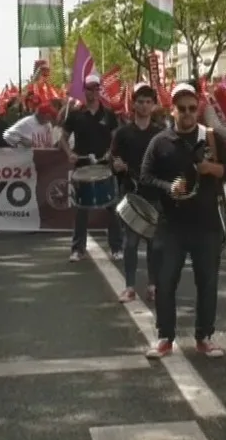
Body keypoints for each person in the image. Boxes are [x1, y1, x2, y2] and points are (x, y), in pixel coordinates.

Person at [138, 83, 226, 359]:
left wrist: (209, 168)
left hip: (207, 224)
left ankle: (205, 337)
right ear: (172, 110)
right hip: (171, 225)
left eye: (192, 108)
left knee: (208, 282)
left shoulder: (212, 138)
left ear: (198, 109)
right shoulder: (160, 141)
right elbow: (144, 177)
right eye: (182, 108)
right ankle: (165, 337)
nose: (188, 113)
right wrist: (168, 188)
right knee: (165, 282)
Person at [110, 83, 165, 302]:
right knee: (130, 242)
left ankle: (153, 285)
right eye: (140, 101)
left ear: (153, 105)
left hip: (154, 195)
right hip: (130, 194)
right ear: (133, 104)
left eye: (148, 102)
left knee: (155, 243)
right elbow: (112, 160)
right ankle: (130, 286)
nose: (143, 106)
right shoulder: (122, 133)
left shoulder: (160, 134)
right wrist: (116, 166)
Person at [63, 84, 122, 262]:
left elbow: (117, 139)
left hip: (105, 167)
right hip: (82, 167)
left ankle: (116, 247)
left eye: (96, 89)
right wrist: (70, 153)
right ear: (85, 91)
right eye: (89, 89)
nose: (92, 92)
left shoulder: (109, 115)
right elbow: (63, 139)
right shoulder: (75, 115)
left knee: (113, 208)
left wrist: (111, 153)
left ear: (99, 91)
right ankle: (77, 249)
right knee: (81, 210)